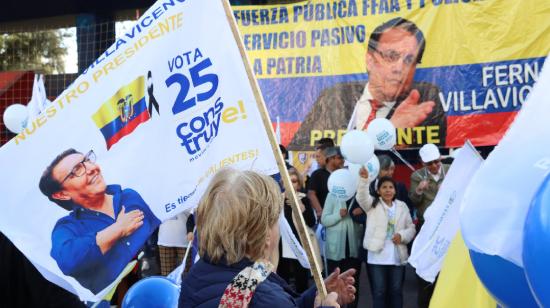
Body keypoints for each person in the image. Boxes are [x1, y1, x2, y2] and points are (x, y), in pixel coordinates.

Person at [179, 168, 356, 307]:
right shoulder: (263, 296)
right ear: (263, 233)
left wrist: (313, 298)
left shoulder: (198, 273)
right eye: (275, 220)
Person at [290, 17, 446, 149]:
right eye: (391, 56)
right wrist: (388, 130)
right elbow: (300, 149)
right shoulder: (333, 97)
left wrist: (396, 137)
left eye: (409, 60)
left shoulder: (425, 101)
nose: (399, 68)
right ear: (370, 60)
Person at [39, 148, 161, 294]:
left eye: (87, 160)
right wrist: (118, 229)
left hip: (159, 291)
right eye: (77, 170)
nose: (92, 168)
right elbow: (68, 261)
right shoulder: (68, 228)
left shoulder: (130, 197)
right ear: (62, 194)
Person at [356, 173, 416, 308]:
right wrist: (364, 180)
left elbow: (411, 228)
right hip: (377, 257)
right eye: (384, 187)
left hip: (397, 256)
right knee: (379, 292)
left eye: (391, 187)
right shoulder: (372, 205)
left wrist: (402, 235)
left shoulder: (402, 206)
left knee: (396, 292)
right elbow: (361, 196)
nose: (388, 190)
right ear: (378, 191)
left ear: (395, 190)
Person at [408, 143, 450, 308]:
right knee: (426, 273)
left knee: (445, 272)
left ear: (440, 158)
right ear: (423, 163)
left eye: (436, 161)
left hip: (448, 230)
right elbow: (414, 201)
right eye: (429, 163)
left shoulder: (450, 170)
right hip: (427, 228)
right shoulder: (417, 176)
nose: (433, 166)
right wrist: (418, 190)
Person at [320, 147, 361, 308]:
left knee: (352, 284)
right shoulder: (332, 194)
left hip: (352, 249)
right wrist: (339, 215)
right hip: (335, 251)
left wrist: (358, 214)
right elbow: (324, 220)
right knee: (335, 284)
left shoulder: (357, 194)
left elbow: (362, 217)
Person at [277, 168, 318, 293]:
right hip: (281, 243)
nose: (291, 184)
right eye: (287, 181)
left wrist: (302, 208)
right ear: (283, 183)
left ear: (299, 184)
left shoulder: (304, 199)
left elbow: (311, 222)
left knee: (301, 278)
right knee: (282, 278)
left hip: (299, 242)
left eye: (294, 181)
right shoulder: (277, 200)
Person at [308, 146, 344, 220]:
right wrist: (320, 212)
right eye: (339, 158)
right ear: (331, 158)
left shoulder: (343, 174)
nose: (342, 161)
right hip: (325, 218)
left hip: (342, 215)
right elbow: (311, 194)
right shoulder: (317, 174)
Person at [157, 210, 193, 276]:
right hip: (165, 239)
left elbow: (193, 214)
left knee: (186, 275)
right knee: (167, 276)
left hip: (185, 240)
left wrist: (190, 230)